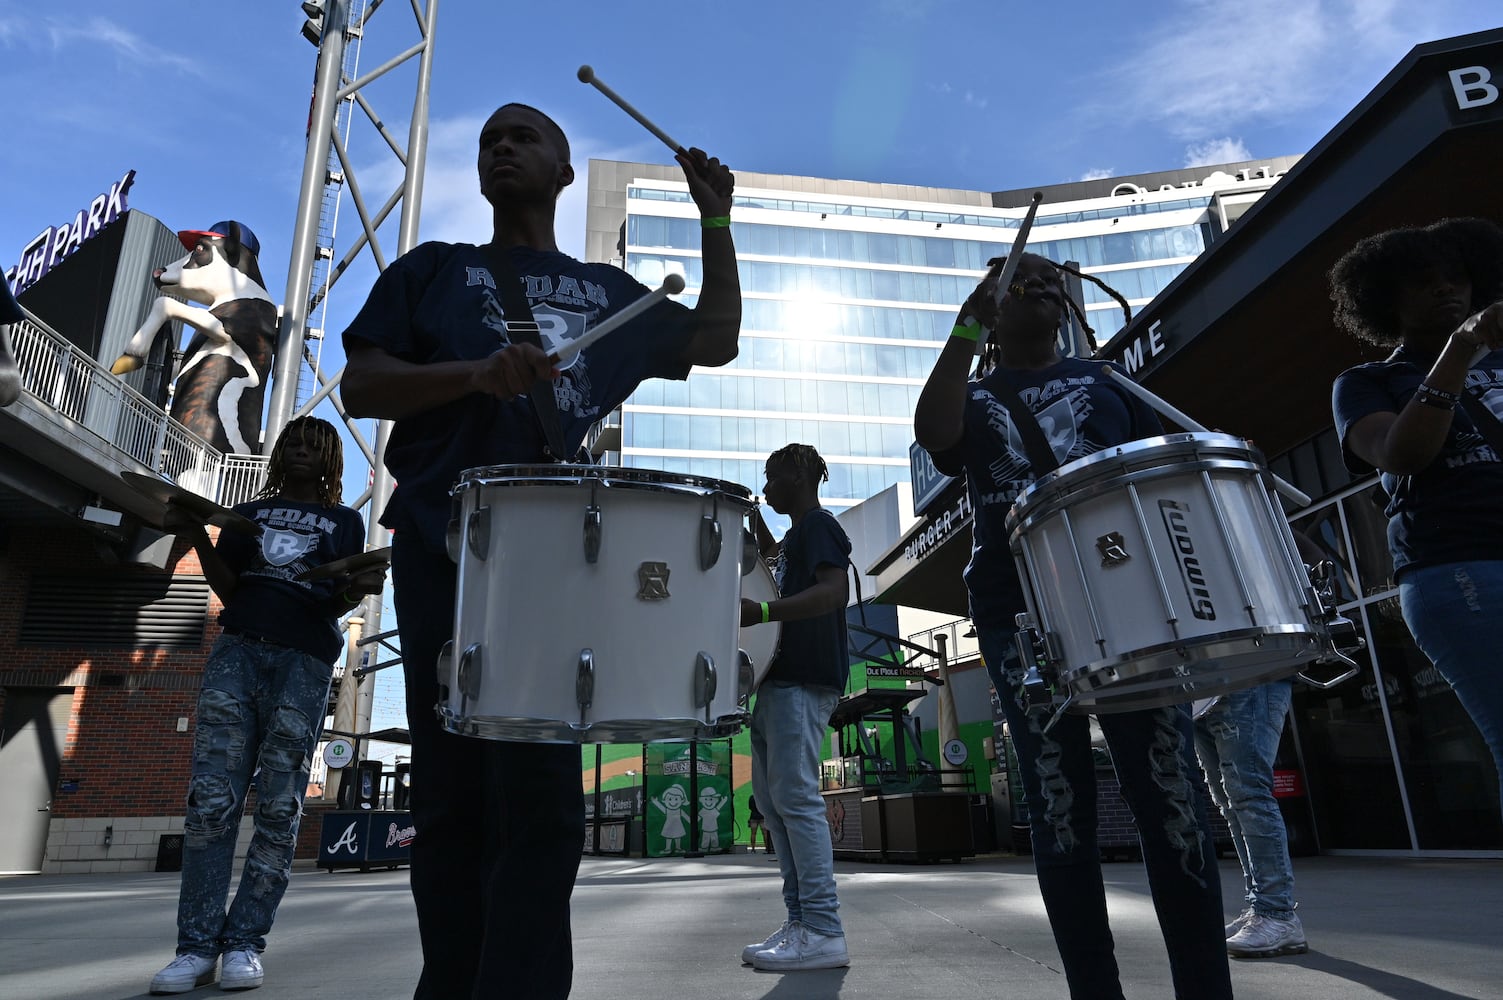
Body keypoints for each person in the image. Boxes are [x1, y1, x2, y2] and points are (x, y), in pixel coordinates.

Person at [339, 102, 740, 999]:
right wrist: (473, 375)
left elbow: (717, 337)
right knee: (452, 796)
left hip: (559, 560)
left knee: (544, 804)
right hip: (446, 537)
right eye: (489, 141)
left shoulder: (606, 292)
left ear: (563, 170)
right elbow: (362, 383)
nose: (503, 148)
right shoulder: (433, 272)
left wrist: (715, 219)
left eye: (524, 137)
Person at [914, 253, 1233, 1000]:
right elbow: (934, 432)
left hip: (1130, 601)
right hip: (1015, 606)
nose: (1046, 289)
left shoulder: (1110, 382)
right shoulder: (976, 391)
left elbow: (1165, 479)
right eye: (1023, 282)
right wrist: (966, 322)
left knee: (1171, 799)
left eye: (1055, 281)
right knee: (1058, 804)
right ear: (993, 307)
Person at [149, 416, 385, 994]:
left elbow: (334, 600)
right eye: (294, 444)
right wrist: (201, 536)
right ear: (281, 453)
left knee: (280, 808)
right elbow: (230, 589)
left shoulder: (345, 521)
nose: (302, 451)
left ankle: (244, 944)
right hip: (237, 652)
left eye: (314, 446)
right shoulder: (248, 513)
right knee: (211, 802)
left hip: (303, 663)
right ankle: (196, 948)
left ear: (330, 460)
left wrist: (359, 587)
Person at [1330, 217, 1503, 813]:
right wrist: (1460, 349)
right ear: (1386, 300)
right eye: (1423, 281)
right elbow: (1402, 455)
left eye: (1456, 277)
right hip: (1461, 567)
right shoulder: (1368, 381)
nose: (1446, 289)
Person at [738, 443, 852, 972]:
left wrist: (762, 610)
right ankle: (801, 922)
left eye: (770, 479)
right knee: (775, 806)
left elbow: (832, 592)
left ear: (799, 475)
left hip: (804, 681)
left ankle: (824, 929)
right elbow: (775, 561)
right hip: (781, 683)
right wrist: (752, 520)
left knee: (796, 802)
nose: (766, 488)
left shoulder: (820, 527)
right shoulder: (795, 536)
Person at [1193, 680, 1306, 958]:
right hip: (1202, 689)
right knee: (1230, 801)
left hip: (1249, 673)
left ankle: (1277, 914)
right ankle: (1261, 908)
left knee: (1249, 794)